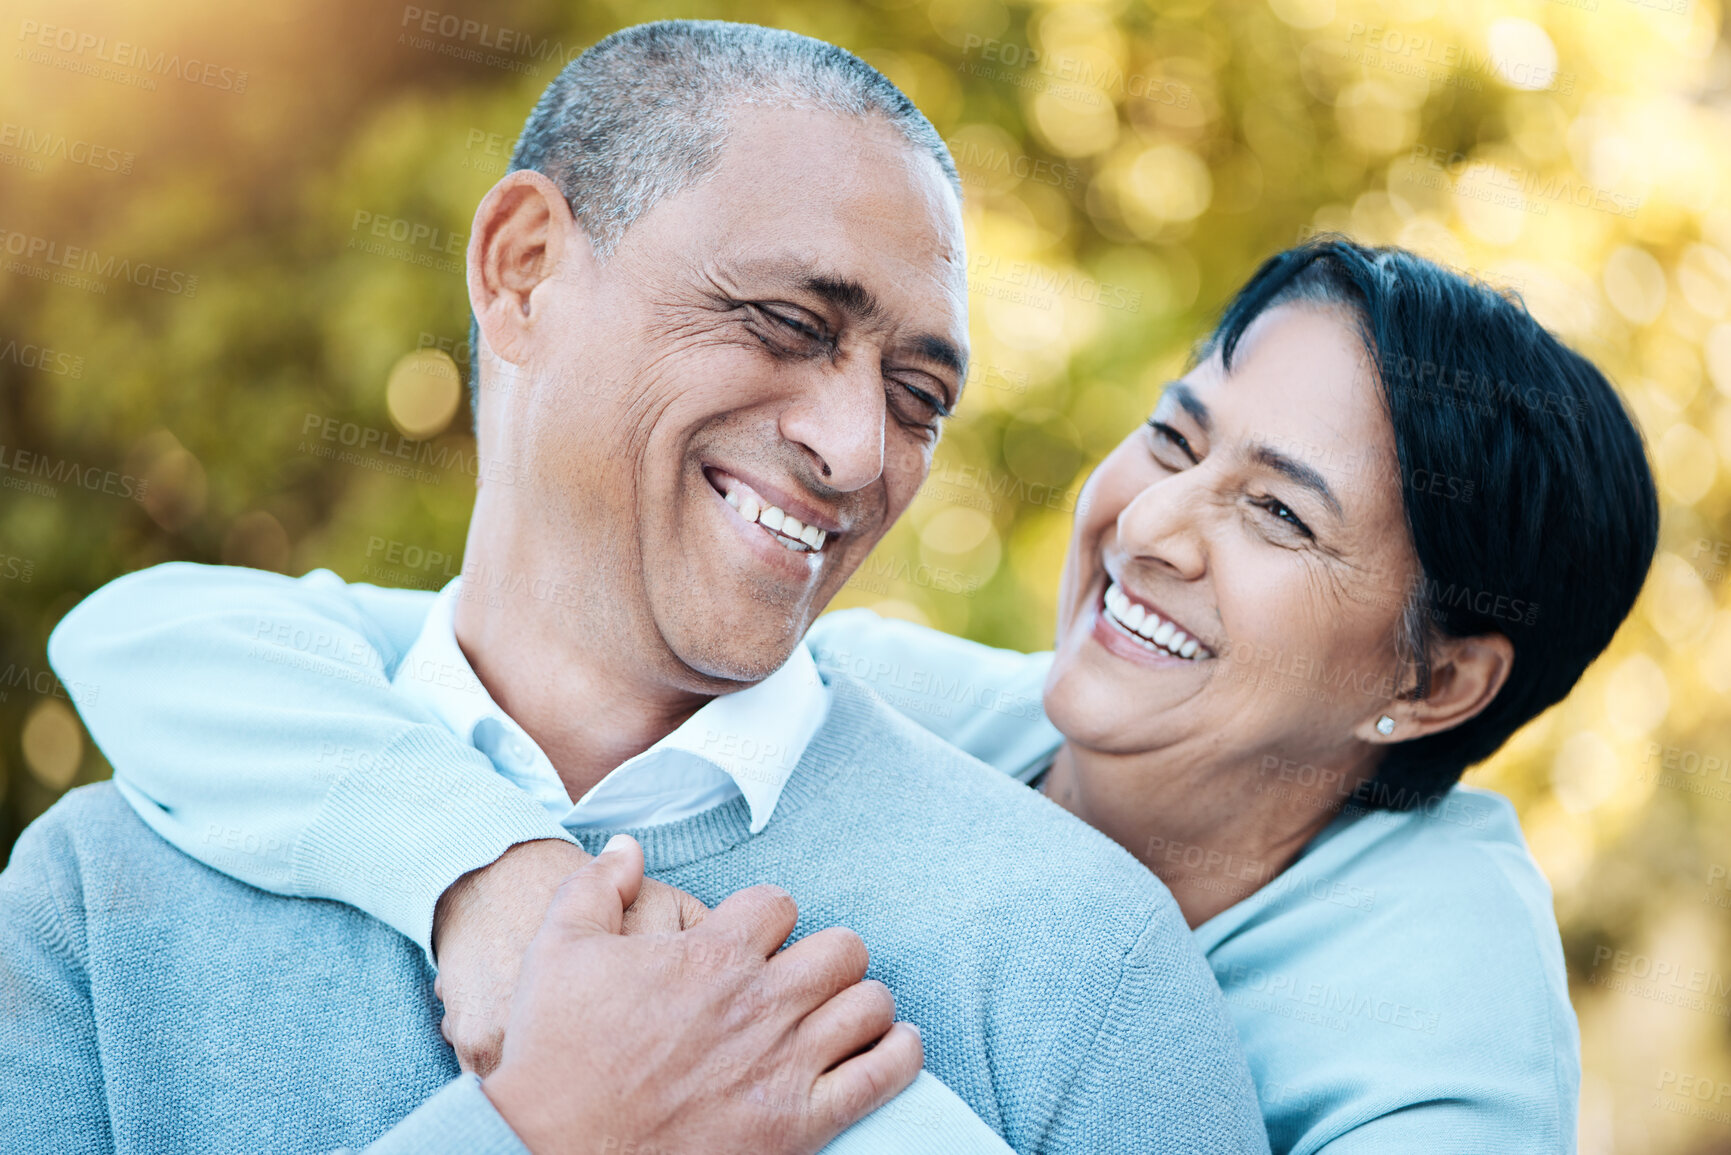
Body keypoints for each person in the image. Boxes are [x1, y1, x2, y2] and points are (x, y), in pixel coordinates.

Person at [53, 238, 1659, 1154]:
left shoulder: (1442, 1015)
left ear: (1431, 675)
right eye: (1175, 439)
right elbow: (167, 639)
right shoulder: (910, 717)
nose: (1152, 529)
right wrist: (496, 881)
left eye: (1277, 514)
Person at [0, 20, 1270, 1155]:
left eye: (918, 396)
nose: (858, 450)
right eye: (785, 321)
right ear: (525, 268)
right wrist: (543, 1132)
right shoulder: (97, 902)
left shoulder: (1081, 958)